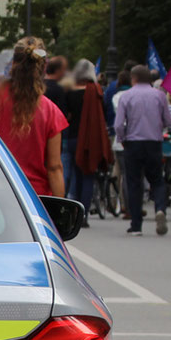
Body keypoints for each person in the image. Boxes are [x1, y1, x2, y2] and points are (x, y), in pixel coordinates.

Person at [0, 37, 67, 197]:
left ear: (13, 63)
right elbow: (54, 168)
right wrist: (62, 213)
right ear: (43, 67)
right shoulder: (51, 111)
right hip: (33, 200)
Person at [115, 65, 171, 235]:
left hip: (133, 143)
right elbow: (168, 121)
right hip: (154, 142)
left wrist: (122, 138)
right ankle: (160, 208)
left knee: (134, 182)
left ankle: (136, 224)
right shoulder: (160, 96)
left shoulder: (127, 96)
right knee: (157, 180)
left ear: (134, 78)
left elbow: (118, 124)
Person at [65, 59, 112, 226]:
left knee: (74, 177)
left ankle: (73, 212)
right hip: (90, 139)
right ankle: (83, 214)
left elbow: (66, 115)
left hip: (72, 138)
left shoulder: (69, 91)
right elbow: (103, 116)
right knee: (88, 177)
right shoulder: (96, 91)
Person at [110, 70, 133, 217]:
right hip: (130, 139)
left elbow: (117, 122)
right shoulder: (132, 96)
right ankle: (128, 205)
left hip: (118, 140)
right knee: (128, 174)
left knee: (117, 171)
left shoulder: (116, 97)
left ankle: (113, 201)